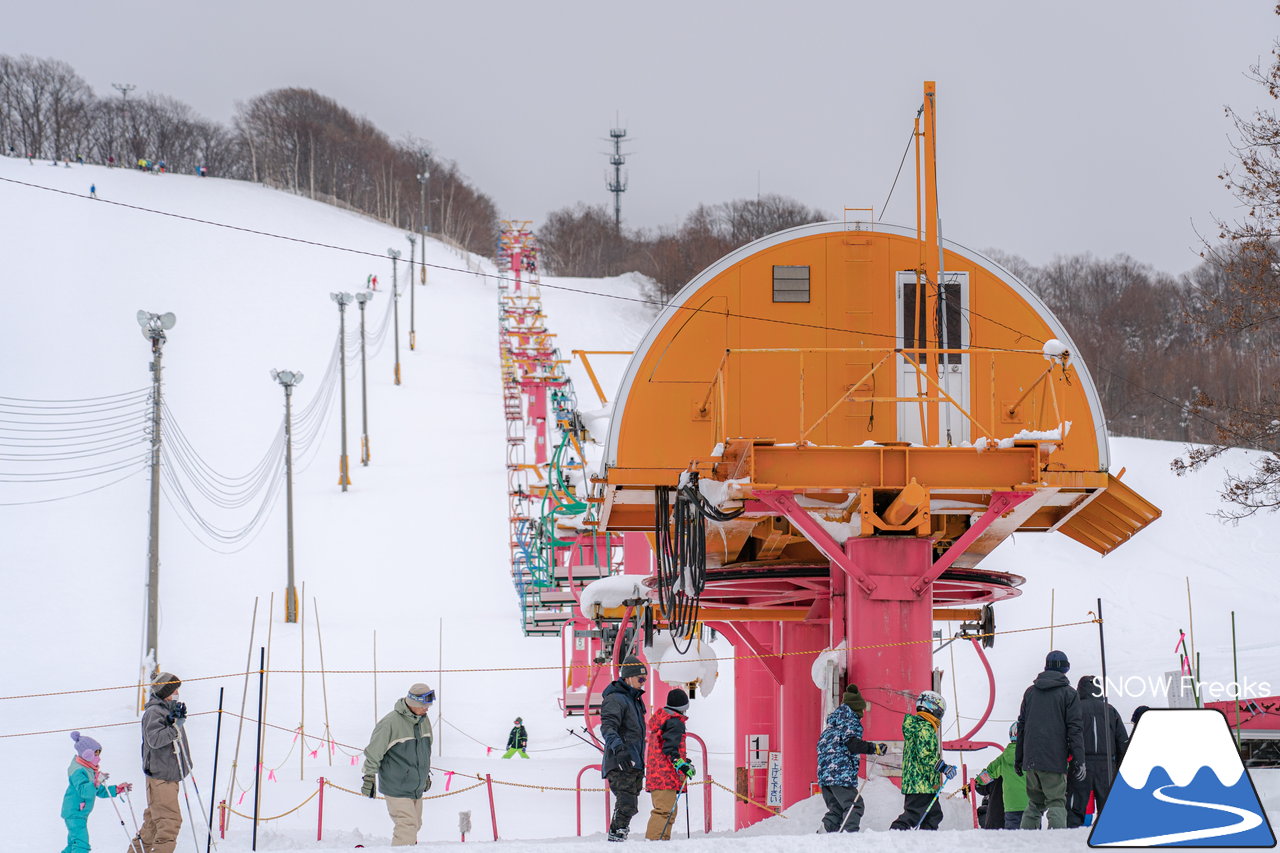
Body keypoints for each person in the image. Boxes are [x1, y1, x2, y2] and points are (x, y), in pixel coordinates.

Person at [1016, 650, 1084, 829]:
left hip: (1031, 759)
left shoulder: (1030, 692)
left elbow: (1021, 726)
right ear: (1066, 668)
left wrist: (1019, 758)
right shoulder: (1069, 694)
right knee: (1056, 801)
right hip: (1054, 758)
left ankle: (1024, 840)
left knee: (1035, 803)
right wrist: (1079, 759)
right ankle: (1056, 842)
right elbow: (1075, 729)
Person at [362, 683, 435, 846]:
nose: (428, 708)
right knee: (407, 825)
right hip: (396, 785)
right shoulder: (390, 723)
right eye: (425, 704)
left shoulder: (424, 721)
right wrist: (369, 777)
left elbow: (425, 751)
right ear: (414, 703)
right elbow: (374, 752)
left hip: (415, 785)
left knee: (415, 824)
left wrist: (425, 775)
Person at [126, 671, 192, 853]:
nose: (177, 693)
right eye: (175, 689)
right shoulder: (154, 711)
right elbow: (154, 740)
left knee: (153, 823)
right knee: (169, 822)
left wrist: (174, 720)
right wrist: (175, 726)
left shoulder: (165, 709)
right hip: (162, 776)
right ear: (165, 692)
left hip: (168, 774)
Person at [817, 683, 887, 833]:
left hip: (825, 776)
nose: (863, 714)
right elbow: (852, 744)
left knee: (836, 809)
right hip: (839, 773)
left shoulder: (833, 724)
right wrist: (873, 748)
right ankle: (849, 838)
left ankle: (821, 838)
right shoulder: (850, 720)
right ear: (857, 708)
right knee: (855, 805)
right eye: (862, 709)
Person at [1068, 676, 1129, 827]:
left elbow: (1067, 736)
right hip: (1107, 765)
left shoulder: (1075, 709)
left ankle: (1070, 841)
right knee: (1108, 810)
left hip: (1081, 762)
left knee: (1075, 807)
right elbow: (1122, 742)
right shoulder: (1110, 710)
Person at [890, 690, 955, 830]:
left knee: (933, 815)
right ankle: (895, 833)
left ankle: (926, 840)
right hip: (920, 783)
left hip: (921, 783)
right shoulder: (924, 728)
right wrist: (943, 767)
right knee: (914, 815)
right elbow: (925, 754)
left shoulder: (918, 726)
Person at [600, 655, 648, 842]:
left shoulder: (634, 700)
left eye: (645, 679)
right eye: (640, 678)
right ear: (628, 677)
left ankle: (619, 832)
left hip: (634, 758)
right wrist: (619, 749)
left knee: (631, 802)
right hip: (621, 759)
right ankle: (617, 834)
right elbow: (608, 726)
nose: (643, 683)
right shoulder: (616, 699)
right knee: (627, 802)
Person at [62, 731, 131, 853]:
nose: (98, 758)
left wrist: (116, 789)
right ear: (87, 755)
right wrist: (95, 782)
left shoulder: (88, 769)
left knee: (74, 843)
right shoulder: (78, 771)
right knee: (81, 845)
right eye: (96, 754)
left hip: (79, 813)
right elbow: (84, 791)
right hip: (74, 813)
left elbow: (98, 791)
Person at [644, 688, 696, 840]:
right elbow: (670, 749)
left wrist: (683, 761)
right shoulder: (674, 722)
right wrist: (681, 764)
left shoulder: (662, 720)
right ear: (684, 707)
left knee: (668, 811)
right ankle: (654, 844)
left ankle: (662, 842)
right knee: (664, 811)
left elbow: (665, 747)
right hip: (665, 775)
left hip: (657, 773)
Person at [972, 721, 1026, 828]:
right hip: (1031, 806)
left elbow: (983, 779)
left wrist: (977, 781)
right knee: (1033, 839)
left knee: (1013, 839)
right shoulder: (1033, 757)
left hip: (1011, 806)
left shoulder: (1002, 759)